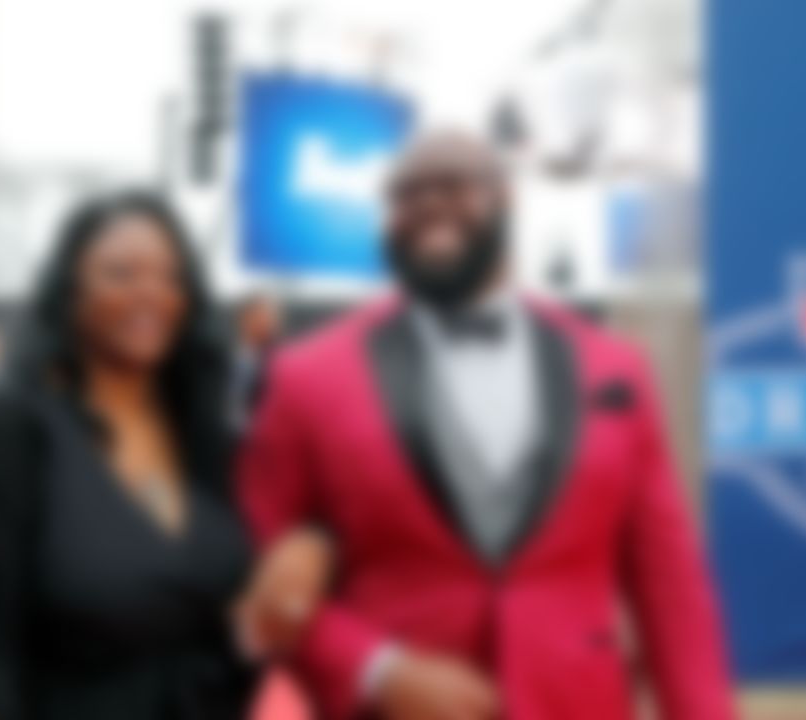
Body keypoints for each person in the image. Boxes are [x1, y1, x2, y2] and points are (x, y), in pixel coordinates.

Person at [240, 131, 734, 719]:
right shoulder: (307, 377)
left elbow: (669, 587)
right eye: (406, 194)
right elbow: (251, 562)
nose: (428, 203)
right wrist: (376, 669)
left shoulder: (616, 368)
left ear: (507, 200)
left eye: (454, 185)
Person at [0, 191, 332, 720]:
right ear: (70, 291)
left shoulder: (209, 444)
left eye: (170, 277)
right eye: (120, 273)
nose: (150, 293)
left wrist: (285, 584)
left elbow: (220, 641)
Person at [227, 292, 285, 434]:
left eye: (273, 317)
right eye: (264, 316)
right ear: (246, 319)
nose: (272, 323)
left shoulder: (279, 362)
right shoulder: (224, 360)